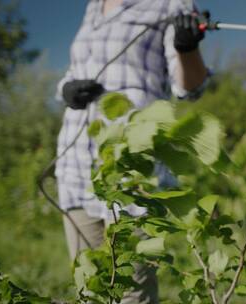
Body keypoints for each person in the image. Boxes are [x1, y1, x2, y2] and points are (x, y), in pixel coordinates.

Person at [55, 0, 210, 302]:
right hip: (76, 169)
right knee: (90, 290)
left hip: (134, 173)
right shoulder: (94, 7)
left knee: (132, 294)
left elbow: (189, 88)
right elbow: (75, 68)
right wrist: (65, 89)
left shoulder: (171, 4)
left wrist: (187, 48)